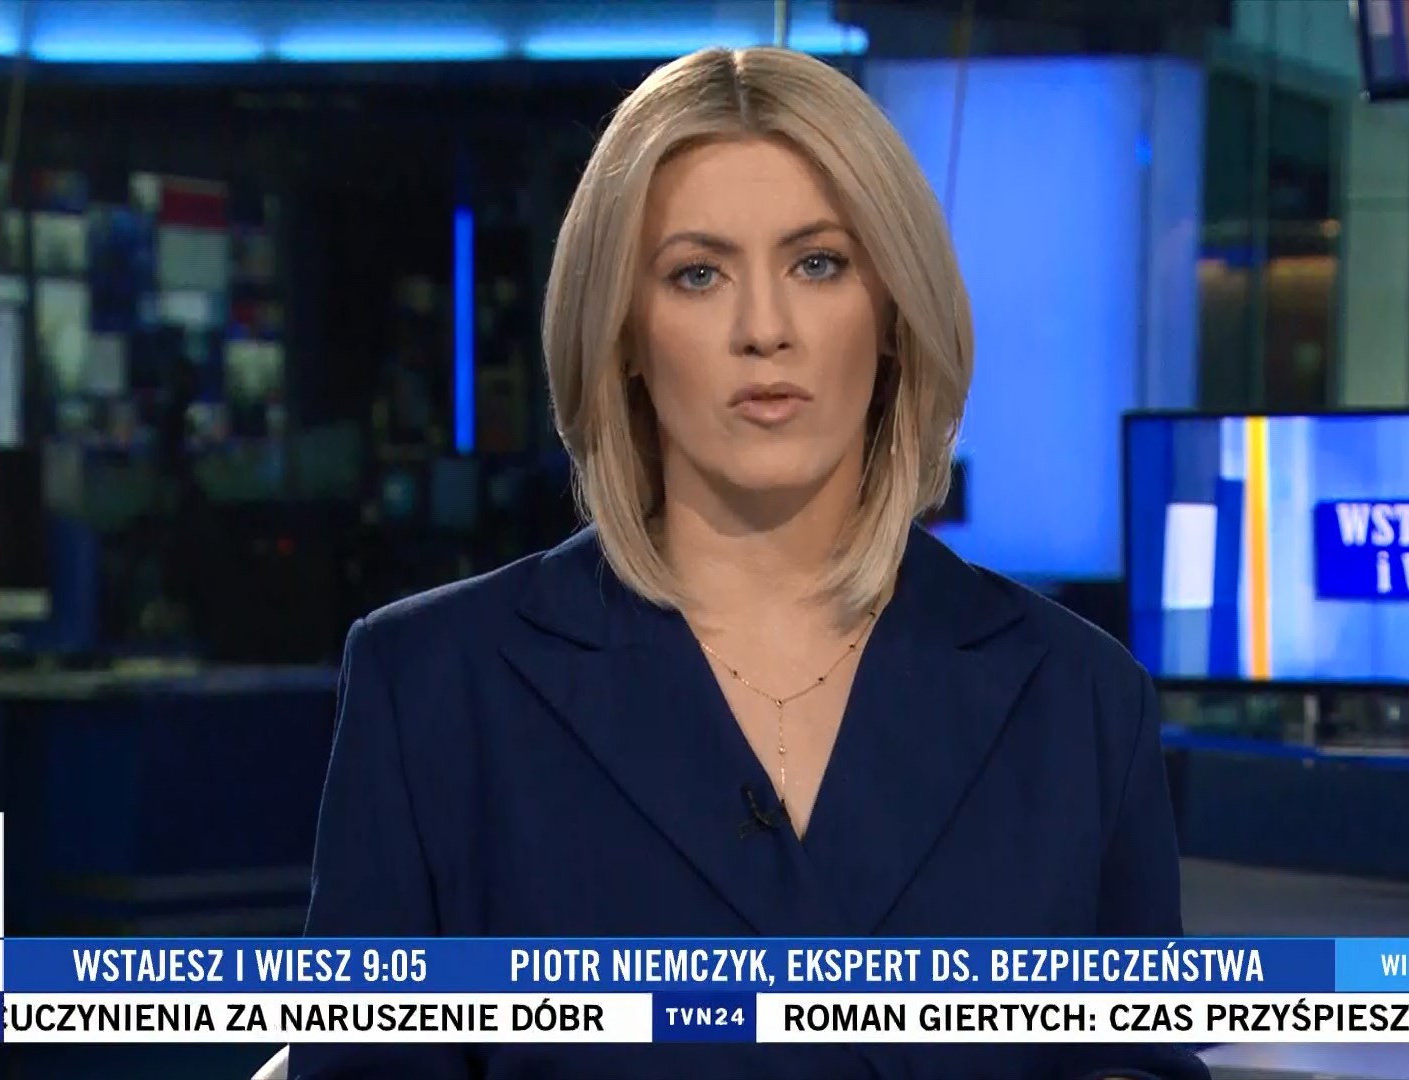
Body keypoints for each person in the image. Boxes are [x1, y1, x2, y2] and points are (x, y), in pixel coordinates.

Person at [296, 46, 1206, 1080]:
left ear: (892, 310)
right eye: (699, 273)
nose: (764, 330)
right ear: (623, 332)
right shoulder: (434, 690)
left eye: (818, 264)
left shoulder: (1077, 703)